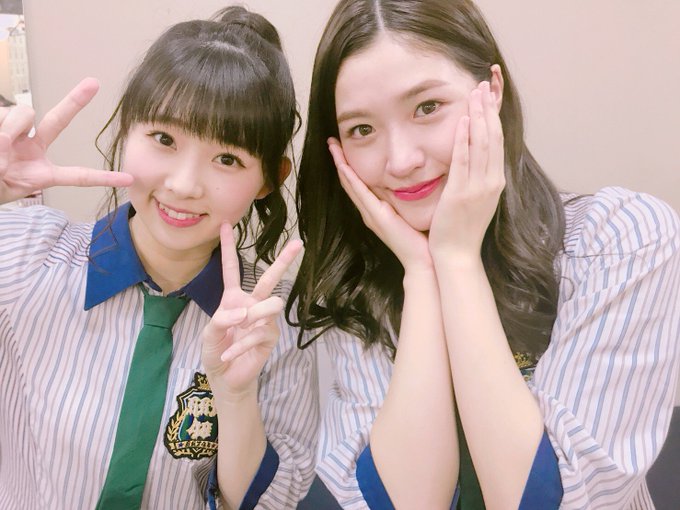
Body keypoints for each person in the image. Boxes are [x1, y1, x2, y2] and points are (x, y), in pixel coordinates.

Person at [288, 0, 680, 508]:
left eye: (427, 107)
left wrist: (457, 259)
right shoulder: (357, 285)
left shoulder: (621, 240)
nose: (401, 160)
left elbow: (545, 502)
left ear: (492, 91)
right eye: (362, 129)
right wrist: (422, 274)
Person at [0, 6, 318, 510]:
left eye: (227, 158)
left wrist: (236, 398)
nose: (184, 185)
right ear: (127, 130)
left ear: (268, 179)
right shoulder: (24, 255)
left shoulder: (274, 317)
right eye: (164, 139)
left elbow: (269, 502)